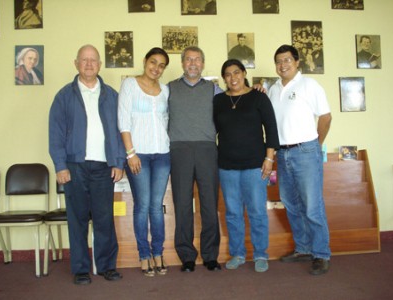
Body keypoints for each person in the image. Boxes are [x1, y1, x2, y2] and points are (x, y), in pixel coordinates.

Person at [49, 44, 125, 285]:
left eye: (93, 60)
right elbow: (56, 134)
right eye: (84, 60)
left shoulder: (112, 95)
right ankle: (81, 269)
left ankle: (106, 266)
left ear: (100, 65)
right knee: (78, 219)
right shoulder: (64, 96)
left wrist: (118, 162)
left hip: (104, 167)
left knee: (104, 219)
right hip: (75, 167)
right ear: (76, 63)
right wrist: (60, 165)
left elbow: (119, 132)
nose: (89, 64)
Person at [268, 44, 332, 275]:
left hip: (306, 151)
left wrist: (316, 145)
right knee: (292, 204)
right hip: (282, 154)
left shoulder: (309, 85)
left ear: (297, 63)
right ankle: (303, 248)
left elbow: (325, 117)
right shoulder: (273, 89)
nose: (282, 65)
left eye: (287, 60)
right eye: (278, 61)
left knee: (312, 206)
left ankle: (321, 253)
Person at [213, 59, 279, 272]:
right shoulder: (218, 101)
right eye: (228, 75)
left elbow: (271, 130)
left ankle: (260, 254)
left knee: (257, 212)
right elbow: (210, 130)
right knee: (232, 213)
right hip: (226, 166)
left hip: (255, 166)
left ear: (243, 73)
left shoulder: (259, 97)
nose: (233, 78)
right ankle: (238, 253)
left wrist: (269, 159)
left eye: (236, 72)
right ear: (224, 78)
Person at [168, 46, 222, 272]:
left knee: (209, 204)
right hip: (179, 149)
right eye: (188, 59)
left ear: (203, 63)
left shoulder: (214, 89)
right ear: (182, 63)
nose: (193, 63)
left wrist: (256, 88)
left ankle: (210, 256)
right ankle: (187, 256)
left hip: (207, 149)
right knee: (182, 205)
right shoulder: (168, 88)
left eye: (197, 59)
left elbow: (233, 107)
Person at [118, 47, 170, 277]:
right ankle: (144, 254)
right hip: (138, 155)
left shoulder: (166, 90)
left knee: (156, 208)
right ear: (145, 61)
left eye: (161, 65)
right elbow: (123, 120)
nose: (156, 68)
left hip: (162, 154)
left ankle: (158, 251)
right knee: (142, 206)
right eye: (153, 62)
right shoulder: (130, 84)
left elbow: (166, 121)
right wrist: (130, 153)